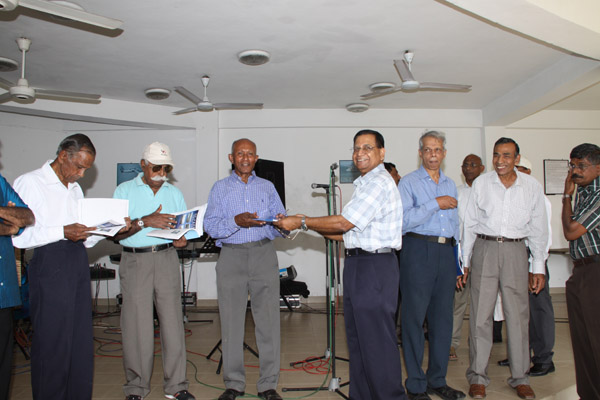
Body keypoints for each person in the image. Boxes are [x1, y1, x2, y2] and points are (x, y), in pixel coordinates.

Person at [275, 129, 407, 400]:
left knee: (377, 344)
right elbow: (346, 234)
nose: (360, 153)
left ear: (382, 153)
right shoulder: (364, 185)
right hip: (359, 263)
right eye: (356, 148)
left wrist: (301, 221)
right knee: (359, 342)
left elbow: (344, 223)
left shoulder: (379, 182)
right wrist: (306, 226)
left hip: (375, 267)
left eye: (368, 147)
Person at [12, 134, 104, 400]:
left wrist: (104, 230)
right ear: (64, 155)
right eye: (79, 167)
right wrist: (62, 232)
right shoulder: (30, 182)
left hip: (76, 261)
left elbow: (80, 236)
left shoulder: (74, 188)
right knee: (53, 344)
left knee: (79, 342)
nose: (82, 174)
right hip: (49, 263)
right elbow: (19, 237)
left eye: (86, 169)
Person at [461, 138, 548, 400]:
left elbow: (538, 228)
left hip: (515, 250)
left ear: (517, 158)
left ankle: (520, 377)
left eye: (507, 155)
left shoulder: (531, 186)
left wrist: (538, 266)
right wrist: (465, 261)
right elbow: (469, 224)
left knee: (518, 316)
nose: (500, 161)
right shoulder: (481, 183)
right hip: (485, 249)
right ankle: (478, 377)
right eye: (497, 155)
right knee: (480, 316)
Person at [204, 138, 286, 400]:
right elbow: (210, 226)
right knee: (231, 322)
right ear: (231, 158)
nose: (246, 158)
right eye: (240, 154)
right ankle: (234, 384)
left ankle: (268, 384)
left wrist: (280, 223)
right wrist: (236, 222)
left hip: (263, 254)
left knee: (269, 321)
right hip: (231, 256)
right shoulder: (219, 188)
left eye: (250, 154)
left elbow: (280, 223)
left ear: (256, 158)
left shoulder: (267, 187)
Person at [113, 142, 195, 400]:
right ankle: (137, 387)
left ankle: (176, 386)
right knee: (136, 325)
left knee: (173, 323)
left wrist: (182, 239)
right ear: (143, 165)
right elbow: (114, 234)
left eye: (166, 169)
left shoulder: (174, 193)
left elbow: (182, 229)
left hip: (166, 258)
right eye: (156, 168)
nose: (161, 173)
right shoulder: (124, 191)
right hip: (135, 260)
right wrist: (145, 221)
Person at [398, 130, 465, 400]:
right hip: (418, 249)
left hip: (446, 253)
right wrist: (434, 204)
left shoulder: (450, 184)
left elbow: (455, 226)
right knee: (414, 319)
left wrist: (458, 263)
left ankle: (437, 380)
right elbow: (403, 221)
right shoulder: (408, 183)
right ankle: (415, 385)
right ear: (420, 153)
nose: (432, 154)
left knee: (443, 320)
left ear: (444, 153)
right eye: (427, 150)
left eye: (437, 150)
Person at [496, 157, 555, 377]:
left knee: (538, 311)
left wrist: (535, 267)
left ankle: (544, 358)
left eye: (520, 170)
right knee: (519, 310)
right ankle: (520, 354)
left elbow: (543, 235)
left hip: (534, 260)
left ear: (528, 172)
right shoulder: (513, 197)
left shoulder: (539, 197)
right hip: (517, 257)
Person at [561, 143, 600, 400]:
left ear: (598, 168)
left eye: (582, 166)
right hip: (581, 270)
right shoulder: (584, 192)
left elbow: (571, 231)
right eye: (573, 165)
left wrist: (566, 197)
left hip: (596, 272)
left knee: (596, 339)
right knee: (583, 341)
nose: (575, 171)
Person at [0, 174, 34, 399]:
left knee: (3, 365)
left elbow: (27, 216)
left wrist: (4, 216)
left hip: (3, 292)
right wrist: (8, 219)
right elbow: (14, 222)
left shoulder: (0, 183)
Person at [450, 154, 484, 361]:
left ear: (482, 168)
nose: (469, 168)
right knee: (458, 300)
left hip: (483, 251)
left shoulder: (489, 192)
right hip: (461, 253)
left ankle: (479, 344)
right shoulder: (456, 193)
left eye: (473, 165)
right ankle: (452, 343)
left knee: (483, 302)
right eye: (465, 165)